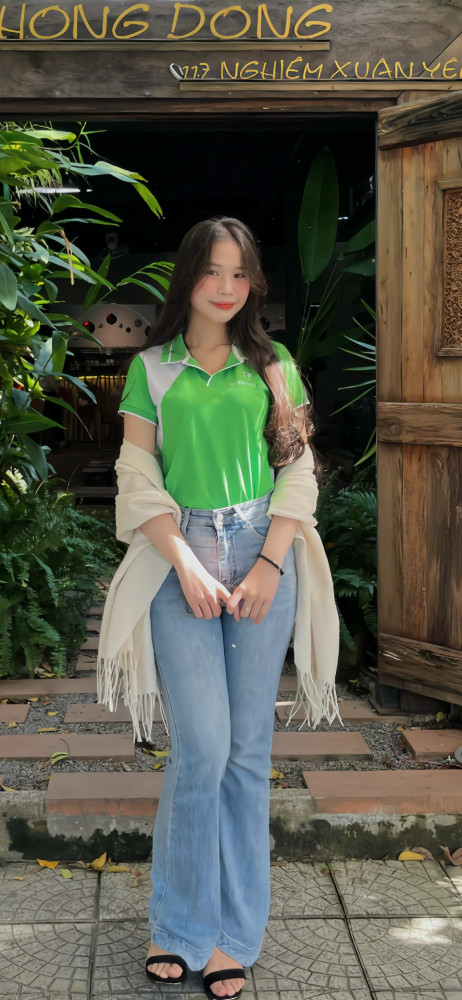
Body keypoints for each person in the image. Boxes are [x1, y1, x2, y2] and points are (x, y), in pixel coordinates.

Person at [117, 216, 315, 1000]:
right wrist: (187, 564)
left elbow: (298, 472)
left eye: (240, 273)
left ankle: (234, 935)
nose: (227, 287)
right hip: (183, 557)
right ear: (188, 277)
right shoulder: (151, 370)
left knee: (246, 754)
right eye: (212, 271)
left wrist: (269, 564)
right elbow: (138, 480)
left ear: (253, 283)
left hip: (264, 550)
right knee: (201, 748)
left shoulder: (272, 365)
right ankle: (177, 926)